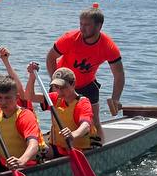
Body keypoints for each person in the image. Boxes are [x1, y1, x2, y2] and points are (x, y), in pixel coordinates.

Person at [47, 8, 124, 140]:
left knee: (94, 121)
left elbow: (119, 75)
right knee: (58, 122)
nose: (82, 28)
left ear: (99, 26)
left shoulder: (108, 46)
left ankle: (102, 147)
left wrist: (115, 98)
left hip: (87, 84)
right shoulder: (70, 38)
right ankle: (55, 148)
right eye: (81, 24)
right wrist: (55, 84)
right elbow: (50, 58)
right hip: (63, 84)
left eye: (87, 25)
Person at [25, 65, 94, 156]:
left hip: (79, 149)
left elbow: (86, 126)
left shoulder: (83, 103)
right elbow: (29, 97)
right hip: (57, 147)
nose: (60, 91)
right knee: (33, 154)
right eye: (57, 87)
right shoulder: (54, 98)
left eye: (63, 87)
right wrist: (32, 76)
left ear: (73, 84)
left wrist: (73, 135)